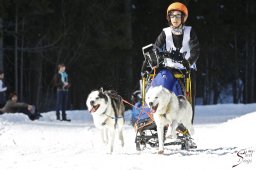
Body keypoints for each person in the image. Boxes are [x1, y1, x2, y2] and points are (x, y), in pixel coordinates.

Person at [142, 2, 200, 123]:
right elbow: (156, 47)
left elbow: (195, 50)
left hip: (187, 69)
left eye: (178, 15)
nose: (175, 19)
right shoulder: (165, 32)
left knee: (190, 95)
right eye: (172, 16)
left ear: (183, 18)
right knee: (159, 85)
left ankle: (187, 124)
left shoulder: (190, 32)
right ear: (169, 18)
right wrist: (150, 60)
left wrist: (189, 62)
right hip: (170, 68)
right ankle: (152, 117)